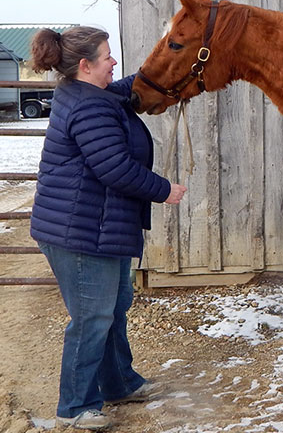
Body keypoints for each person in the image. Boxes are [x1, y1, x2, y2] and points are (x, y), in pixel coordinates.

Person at [29, 26, 187, 431]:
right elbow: (114, 168)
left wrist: (168, 64)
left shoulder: (85, 92)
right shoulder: (89, 108)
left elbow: (126, 87)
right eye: (106, 57)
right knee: (91, 318)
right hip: (79, 234)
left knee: (113, 309)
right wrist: (164, 190)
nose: (113, 62)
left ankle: (118, 384)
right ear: (85, 66)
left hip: (97, 226)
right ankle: (75, 407)